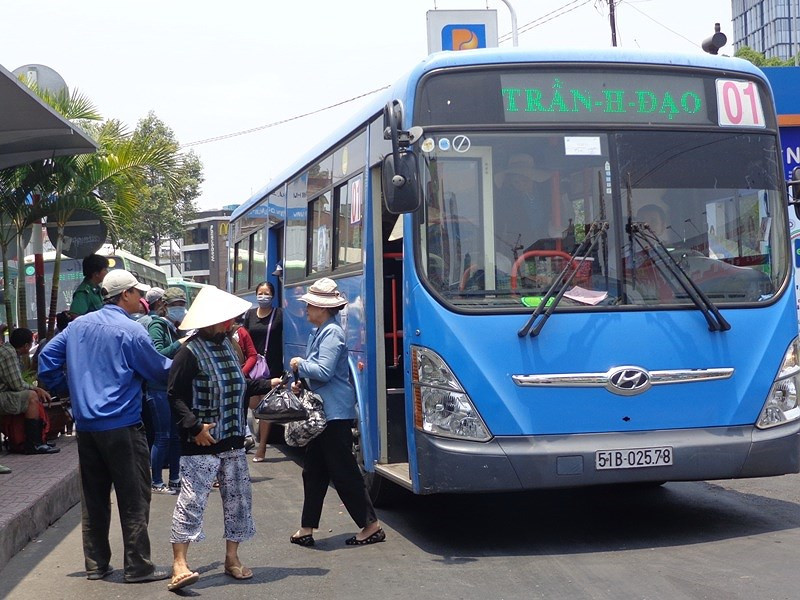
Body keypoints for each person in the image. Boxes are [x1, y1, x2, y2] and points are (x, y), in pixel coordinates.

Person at [37, 269, 172, 584]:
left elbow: (47, 361)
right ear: (125, 295)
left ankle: (96, 565)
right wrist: (183, 351)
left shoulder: (77, 326)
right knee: (134, 496)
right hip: (122, 424)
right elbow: (159, 371)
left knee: (94, 498)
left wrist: (71, 390)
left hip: (87, 427)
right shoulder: (131, 330)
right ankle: (137, 566)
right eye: (137, 293)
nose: (141, 298)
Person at [166, 285, 278, 592]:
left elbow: (241, 385)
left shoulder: (229, 347)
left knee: (238, 501)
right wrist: (195, 428)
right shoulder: (188, 352)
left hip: (233, 440)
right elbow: (174, 395)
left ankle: (232, 558)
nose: (231, 324)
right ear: (211, 321)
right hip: (201, 442)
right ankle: (179, 564)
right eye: (226, 319)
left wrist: (271, 383)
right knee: (191, 501)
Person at [289, 277, 384, 547]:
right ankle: (307, 527)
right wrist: (302, 380)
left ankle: (371, 525)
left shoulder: (331, 333)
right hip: (324, 414)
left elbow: (324, 370)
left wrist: (300, 364)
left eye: (310, 305)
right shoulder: (321, 331)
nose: (307, 309)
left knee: (343, 472)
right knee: (313, 472)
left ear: (322, 308)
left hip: (334, 414)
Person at [143, 286, 183, 494]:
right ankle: (156, 481)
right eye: (176, 305)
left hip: (173, 387)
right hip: (158, 388)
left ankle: (175, 478)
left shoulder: (176, 327)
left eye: (183, 304)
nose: (180, 309)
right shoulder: (157, 326)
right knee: (163, 436)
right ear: (164, 306)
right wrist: (180, 343)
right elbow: (159, 354)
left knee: (176, 436)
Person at [0, 327, 59, 454]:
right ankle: (34, 444)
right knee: (31, 396)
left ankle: (39, 439)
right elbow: (17, 385)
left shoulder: (8, 351)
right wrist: (37, 389)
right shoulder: (9, 353)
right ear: (26, 345)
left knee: (31, 394)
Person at [243, 281, 283, 462]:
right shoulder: (250, 315)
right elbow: (244, 339)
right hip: (253, 365)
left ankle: (262, 446)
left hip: (272, 366)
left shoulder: (279, 314)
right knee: (254, 404)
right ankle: (251, 435)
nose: (263, 296)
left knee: (266, 407)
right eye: (260, 293)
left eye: (267, 293)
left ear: (273, 296)